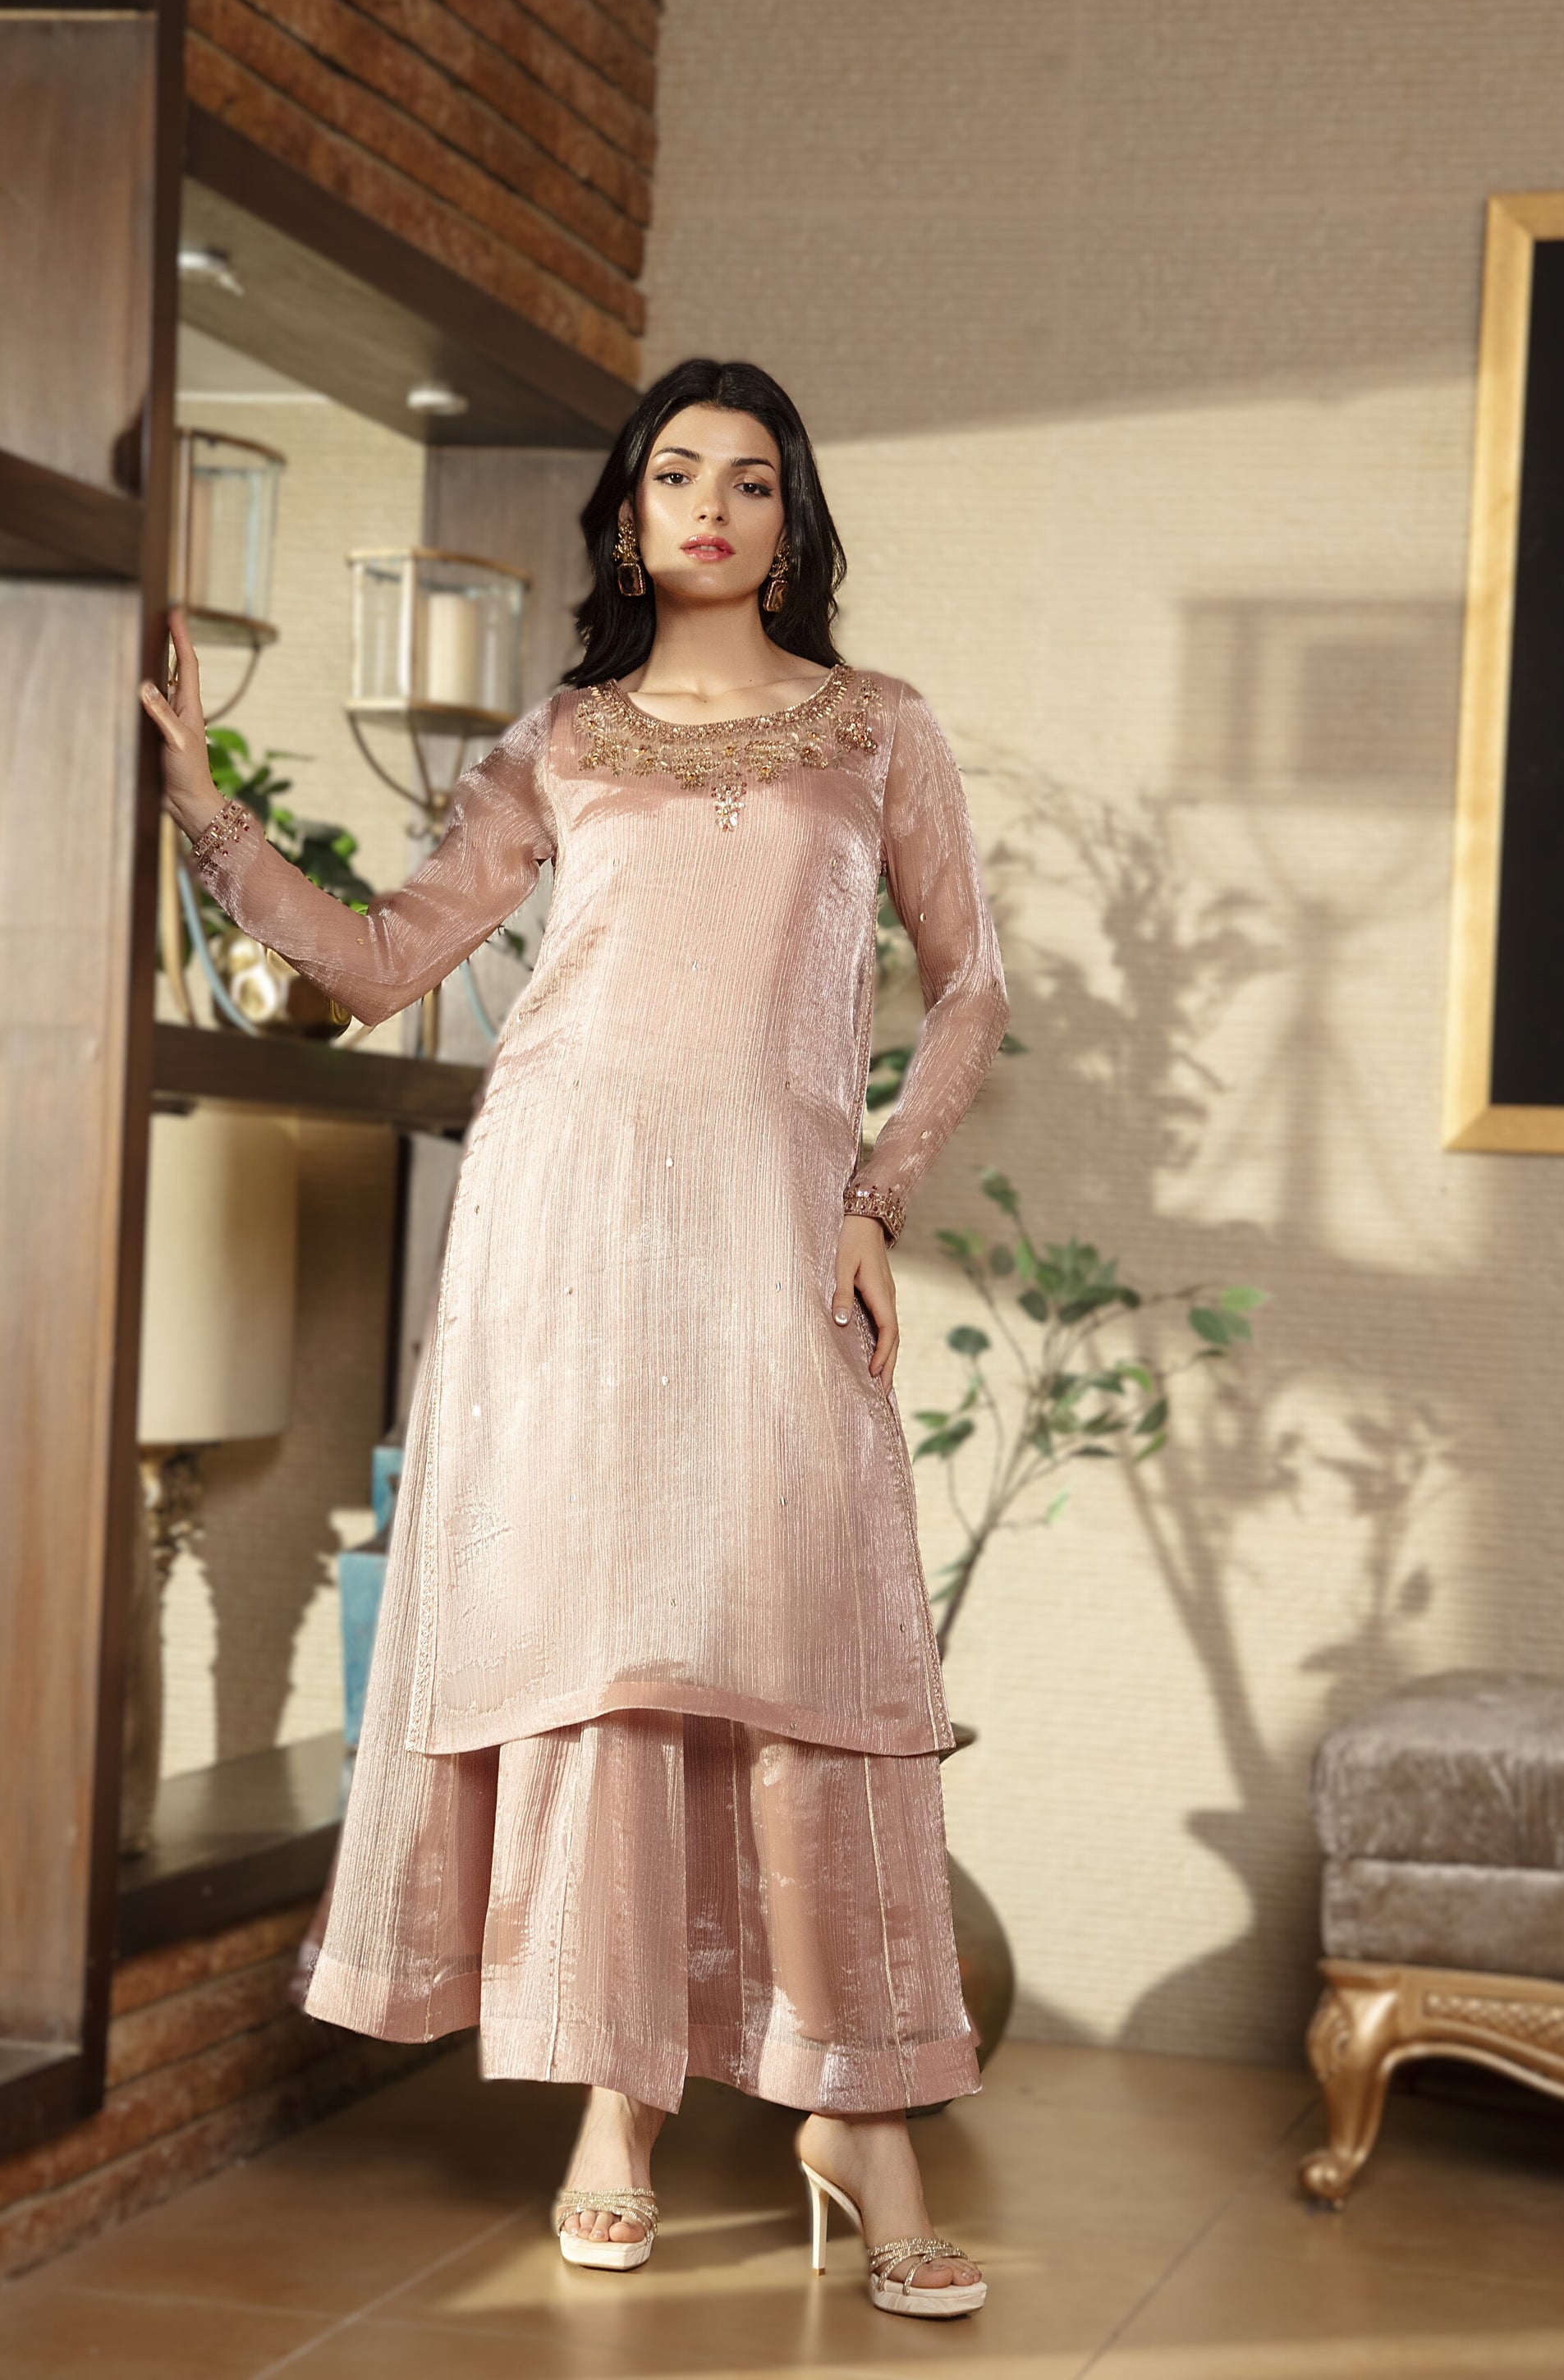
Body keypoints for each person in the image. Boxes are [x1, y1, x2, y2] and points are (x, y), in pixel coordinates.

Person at [141, 357, 1008, 2321]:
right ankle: (615, 2107)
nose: (712, 504)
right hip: (563, 1232)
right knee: (607, 1651)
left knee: (804, 1655)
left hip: (773, 1226)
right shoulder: (563, 737)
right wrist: (207, 808)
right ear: (626, 516)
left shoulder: (878, 728)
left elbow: (969, 986)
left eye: (752, 479)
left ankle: (860, 2111)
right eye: (677, 473)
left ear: (791, 519)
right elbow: (383, 959)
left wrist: (877, 1196)